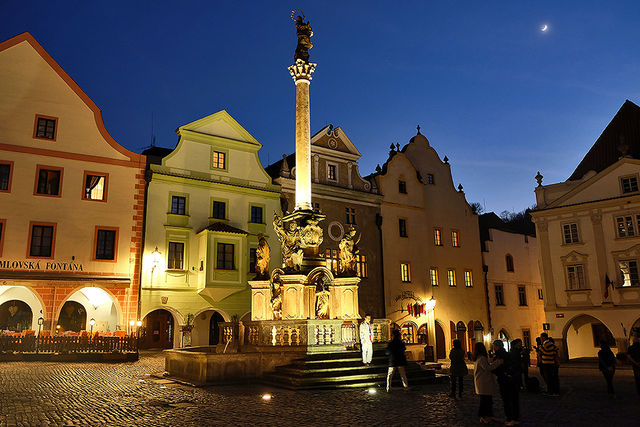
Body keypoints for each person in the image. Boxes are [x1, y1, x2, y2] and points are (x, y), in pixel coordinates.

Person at [473, 342, 502, 424]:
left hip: (484, 382)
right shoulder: (481, 358)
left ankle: (489, 415)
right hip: (483, 383)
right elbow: (487, 368)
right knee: (484, 401)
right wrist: (498, 362)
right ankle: (483, 416)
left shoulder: (478, 358)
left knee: (488, 400)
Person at [492, 340, 519, 425]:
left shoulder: (498, 356)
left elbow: (496, 369)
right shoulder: (508, 354)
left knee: (506, 400)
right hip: (512, 379)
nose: (493, 348)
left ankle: (509, 419)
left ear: (497, 346)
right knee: (514, 399)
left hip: (504, 380)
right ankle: (516, 418)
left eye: (494, 346)